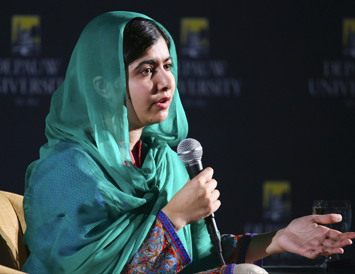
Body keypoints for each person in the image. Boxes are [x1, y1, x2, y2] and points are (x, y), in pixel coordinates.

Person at [22, 11, 355, 274]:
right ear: (103, 86)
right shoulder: (65, 171)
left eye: (167, 66)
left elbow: (203, 254)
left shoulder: (163, 162)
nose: (166, 81)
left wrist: (278, 240)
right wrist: (173, 217)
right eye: (146, 70)